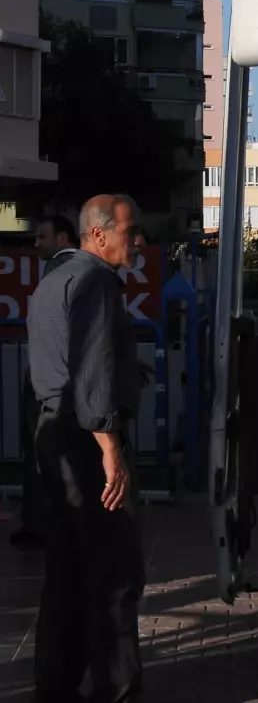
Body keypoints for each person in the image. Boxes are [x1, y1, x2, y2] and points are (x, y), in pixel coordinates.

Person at [27, 195, 147, 703]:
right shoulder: (97, 281)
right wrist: (111, 449)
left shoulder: (53, 280)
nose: (138, 241)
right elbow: (91, 376)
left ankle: (55, 685)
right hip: (85, 441)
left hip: (53, 435)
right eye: (130, 230)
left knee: (66, 569)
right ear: (99, 234)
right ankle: (115, 691)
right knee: (114, 573)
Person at [11, 216, 81, 549]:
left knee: (42, 451)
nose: (36, 244)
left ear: (63, 236)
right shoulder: (71, 270)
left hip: (48, 380)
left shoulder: (62, 271)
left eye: (42, 236)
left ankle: (42, 523)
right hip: (57, 378)